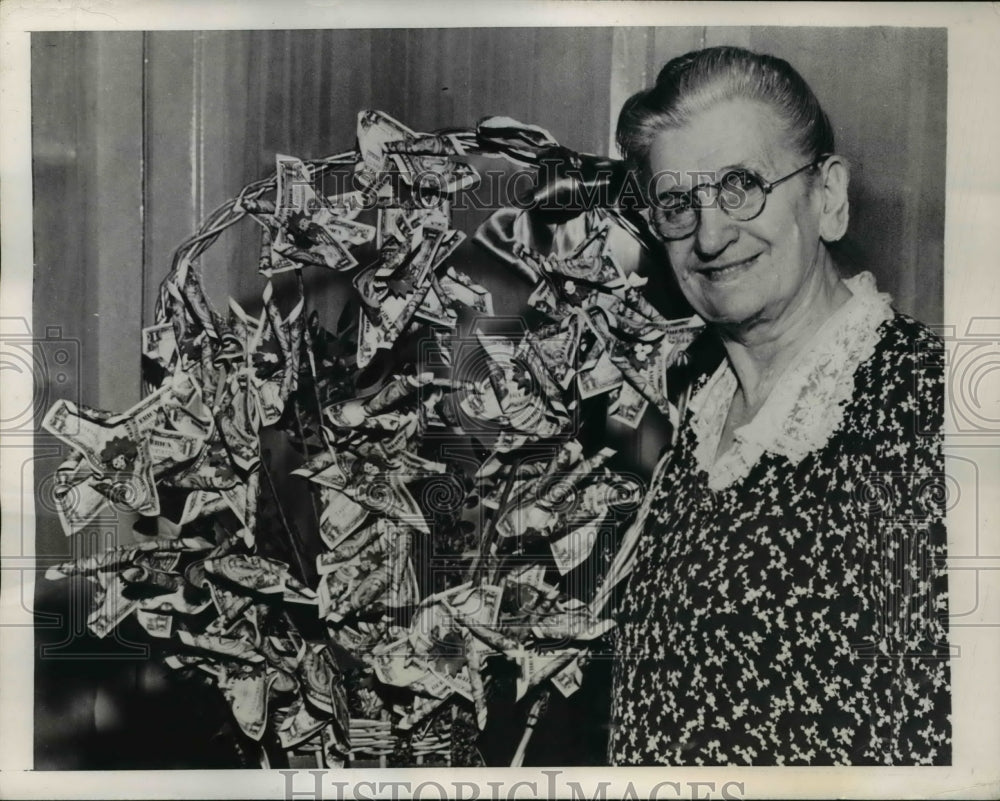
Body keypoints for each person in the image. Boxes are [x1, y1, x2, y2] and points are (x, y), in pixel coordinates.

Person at [607, 46, 950, 766]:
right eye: (679, 203)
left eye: (741, 185)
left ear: (827, 197)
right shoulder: (689, 428)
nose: (709, 235)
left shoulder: (931, 407)